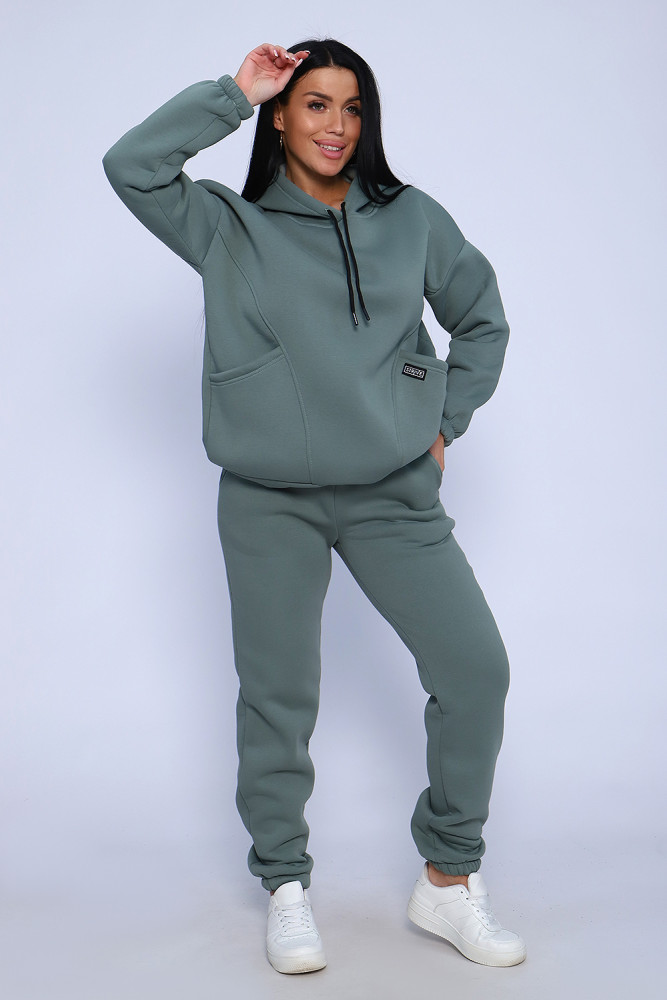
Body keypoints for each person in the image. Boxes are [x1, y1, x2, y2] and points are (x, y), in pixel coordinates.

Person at [102, 37, 526, 975]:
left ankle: (448, 878)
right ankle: (286, 887)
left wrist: (440, 419)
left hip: (391, 494)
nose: (336, 125)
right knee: (279, 698)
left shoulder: (410, 218)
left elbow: (481, 318)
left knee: (475, 671)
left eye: (352, 107)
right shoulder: (226, 226)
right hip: (269, 501)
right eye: (315, 104)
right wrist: (235, 91)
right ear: (282, 118)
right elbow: (131, 166)